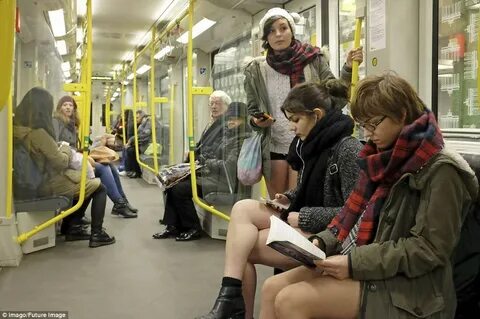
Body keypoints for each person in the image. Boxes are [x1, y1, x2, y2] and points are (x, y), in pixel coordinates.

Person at [259, 73, 479, 319]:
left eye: (373, 124)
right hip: (370, 261)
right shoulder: (379, 157)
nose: (368, 133)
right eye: (364, 124)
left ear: (401, 114)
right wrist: (322, 242)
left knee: (292, 300)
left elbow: (429, 249)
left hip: (414, 288)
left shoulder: (442, 170)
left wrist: (355, 263)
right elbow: (349, 216)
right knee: (272, 288)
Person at [196, 80, 363, 319]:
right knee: (242, 209)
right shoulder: (311, 143)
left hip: (327, 233)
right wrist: (288, 197)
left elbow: (354, 212)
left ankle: (233, 309)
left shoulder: (348, 150)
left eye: (296, 120)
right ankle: (229, 295)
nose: (292, 128)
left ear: (316, 115)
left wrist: (304, 216)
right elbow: (306, 188)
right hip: (300, 215)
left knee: (240, 248)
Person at [245, 7, 363, 198]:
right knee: (277, 204)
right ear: (265, 38)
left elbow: (336, 98)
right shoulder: (256, 70)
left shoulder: (314, 59)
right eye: (271, 31)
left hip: (308, 142)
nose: (278, 34)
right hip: (273, 145)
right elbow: (252, 110)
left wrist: (349, 68)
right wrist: (257, 122)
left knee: (298, 201)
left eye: (283, 28)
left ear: (291, 30)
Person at [13, 87, 115, 248]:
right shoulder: (38, 133)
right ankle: (97, 233)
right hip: (47, 183)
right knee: (99, 187)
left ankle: (72, 226)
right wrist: (66, 149)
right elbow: (60, 162)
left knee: (86, 182)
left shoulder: (18, 129)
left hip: (34, 180)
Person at [153, 100, 247, 242]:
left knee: (180, 189)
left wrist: (207, 162)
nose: (231, 122)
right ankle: (173, 225)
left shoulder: (241, 138)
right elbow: (214, 152)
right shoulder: (228, 135)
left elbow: (229, 165)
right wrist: (204, 157)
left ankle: (193, 227)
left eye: (236, 119)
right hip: (214, 176)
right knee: (172, 183)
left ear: (244, 120)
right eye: (230, 118)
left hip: (225, 181)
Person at [53, 96, 137, 219]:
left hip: (72, 159)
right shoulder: (56, 122)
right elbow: (58, 145)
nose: (68, 107)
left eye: (70, 105)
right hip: (65, 163)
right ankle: (119, 204)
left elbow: (73, 148)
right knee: (102, 168)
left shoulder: (71, 124)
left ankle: (122, 200)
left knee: (109, 165)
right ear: (59, 107)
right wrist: (84, 156)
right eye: (65, 105)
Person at [123, 110, 152, 178]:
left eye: (137, 118)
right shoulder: (143, 123)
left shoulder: (148, 122)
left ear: (142, 117)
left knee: (131, 151)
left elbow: (144, 135)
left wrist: (131, 140)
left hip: (148, 145)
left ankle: (137, 172)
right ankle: (129, 170)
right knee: (128, 148)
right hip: (143, 143)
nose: (136, 120)